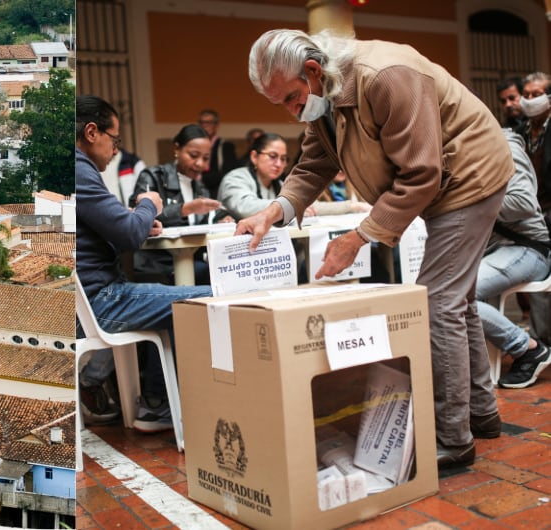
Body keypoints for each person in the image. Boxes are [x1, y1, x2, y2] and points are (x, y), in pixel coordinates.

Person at [236, 29, 514, 469]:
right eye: (282, 105)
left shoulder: (385, 77)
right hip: (439, 187)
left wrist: (359, 237)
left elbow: (422, 173)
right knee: (456, 301)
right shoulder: (322, 95)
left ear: (312, 70)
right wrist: (274, 211)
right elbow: (315, 163)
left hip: (469, 176)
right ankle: (481, 414)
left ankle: (453, 438)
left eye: (291, 98)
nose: (292, 112)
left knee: (437, 302)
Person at [77, 95, 214, 433]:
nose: (116, 149)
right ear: (92, 132)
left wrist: (138, 218)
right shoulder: (81, 170)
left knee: (184, 294)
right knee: (208, 297)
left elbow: (111, 231)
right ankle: (166, 404)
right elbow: (128, 235)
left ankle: (157, 402)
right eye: (115, 140)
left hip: (99, 294)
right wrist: (148, 205)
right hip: (102, 300)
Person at [476, 128, 551, 390]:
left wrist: (465, 199)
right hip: (494, 252)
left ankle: (528, 348)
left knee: (454, 295)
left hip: (528, 249)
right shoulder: (457, 150)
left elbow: (523, 202)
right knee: (437, 290)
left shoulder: (502, 143)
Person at [129, 124, 222, 285]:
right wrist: (186, 209)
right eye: (193, 155)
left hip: (191, 259)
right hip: (156, 262)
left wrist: (221, 219)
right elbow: (138, 217)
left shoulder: (200, 187)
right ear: (177, 149)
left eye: (206, 158)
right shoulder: (153, 176)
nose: (200, 163)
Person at [516, 72, 551, 348]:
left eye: (536, 94)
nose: (529, 100)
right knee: (540, 277)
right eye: (526, 95)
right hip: (530, 214)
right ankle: (542, 339)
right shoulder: (519, 131)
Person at [218, 132, 290, 221]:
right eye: (272, 156)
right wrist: (288, 206)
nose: (279, 164)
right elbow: (245, 208)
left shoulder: (281, 185)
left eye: (283, 159)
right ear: (254, 157)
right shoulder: (235, 178)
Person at [198, 109, 238, 199]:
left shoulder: (225, 146)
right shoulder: (195, 146)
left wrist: (200, 178)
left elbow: (228, 173)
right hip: (198, 192)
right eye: (202, 123)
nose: (205, 126)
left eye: (208, 123)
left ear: (216, 125)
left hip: (218, 193)